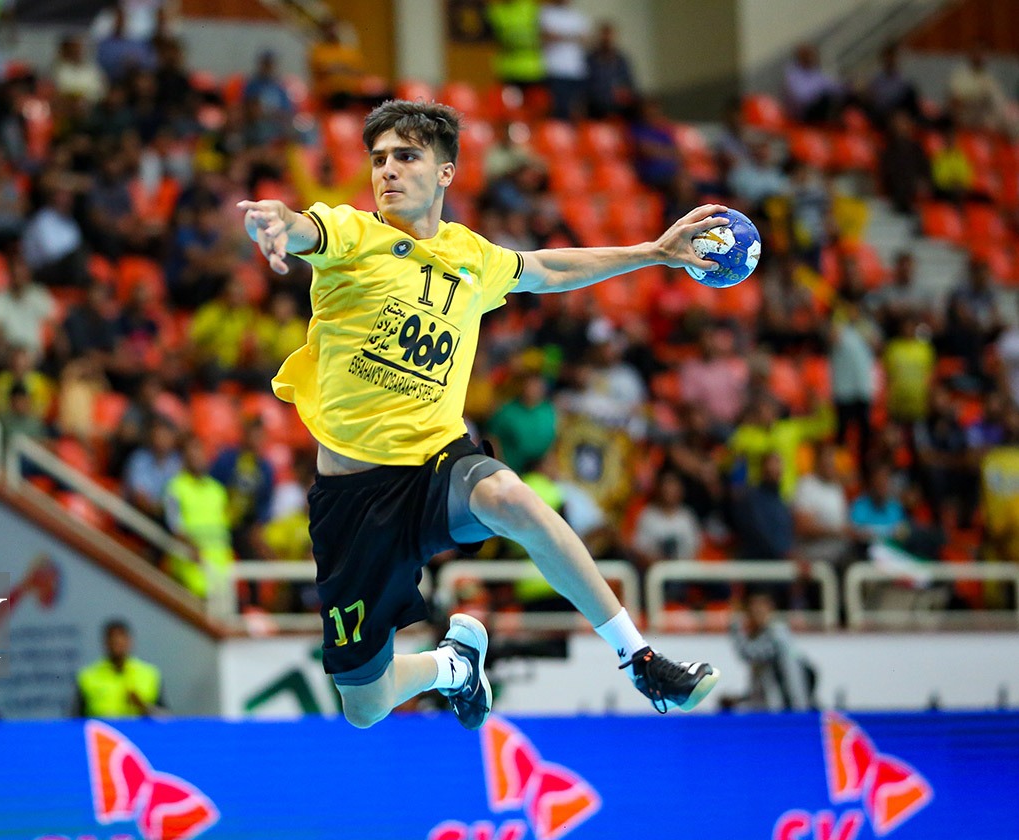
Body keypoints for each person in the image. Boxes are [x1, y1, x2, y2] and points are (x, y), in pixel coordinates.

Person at [236, 100, 721, 730]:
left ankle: (640, 659)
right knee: (365, 705)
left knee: (510, 497)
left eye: (406, 156)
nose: (388, 170)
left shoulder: (471, 256)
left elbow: (547, 269)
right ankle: (452, 667)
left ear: (445, 172)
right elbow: (303, 227)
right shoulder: (353, 236)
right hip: (353, 500)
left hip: (436, 466)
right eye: (378, 159)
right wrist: (275, 221)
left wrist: (653, 252)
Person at [726, 591, 815, 712]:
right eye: (753, 610)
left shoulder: (777, 633)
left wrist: (735, 626)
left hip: (786, 706)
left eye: (760, 609)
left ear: (769, 609)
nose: (756, 613)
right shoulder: (759, 635)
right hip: (770, 706)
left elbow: (751, 654)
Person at [75, 620, 165, 718]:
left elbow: (167, 719)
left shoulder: (149, 674)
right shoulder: (88, 676)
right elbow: (75, 719)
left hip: (138, 727)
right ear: (105, 642)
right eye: (112, 639)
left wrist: (143, 706)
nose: (117, 641)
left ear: (129, 641)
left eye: (121, 638)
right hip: (99, 727)